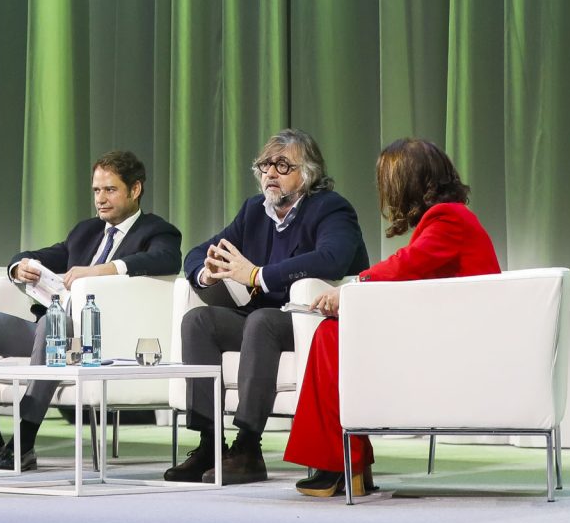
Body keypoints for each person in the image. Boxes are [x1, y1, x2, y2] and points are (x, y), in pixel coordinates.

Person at [286, 138, 501, 497]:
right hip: (448, 336)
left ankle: (343, 462)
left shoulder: (449, 217)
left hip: (459, 348)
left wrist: (352, 288)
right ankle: (347, 461)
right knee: (333, 334)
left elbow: (407, 264)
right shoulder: (449, 218)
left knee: (330, 336)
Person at [0, 150, 182, 470]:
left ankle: (23, 441)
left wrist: (100, 270)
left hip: (98, 339)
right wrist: (20, 266)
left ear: (135, 189)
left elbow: (166, 259)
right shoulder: (85, 231)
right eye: (96, 191)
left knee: (52, 324)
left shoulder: (157, 231)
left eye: (110, 190)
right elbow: (41, 254)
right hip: (54, 333)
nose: (100, 199)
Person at [166, 128, 369, 485]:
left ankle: (247, 447)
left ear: (307, 174)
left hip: (309, 318)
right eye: (264, 165)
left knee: (261, 319)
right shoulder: (253, 212)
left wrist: (258, 275)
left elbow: (333, 259)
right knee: (199, 320)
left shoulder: (330, 207)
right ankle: (210, 443)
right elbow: (197, 253)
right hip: (261, 321)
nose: (270, 174)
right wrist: (206, 274)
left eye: (282, 165)